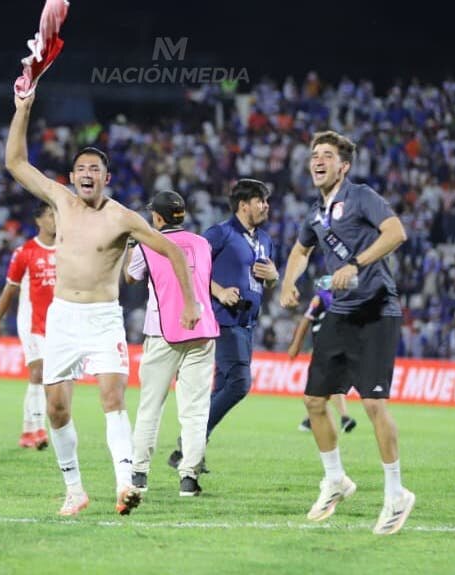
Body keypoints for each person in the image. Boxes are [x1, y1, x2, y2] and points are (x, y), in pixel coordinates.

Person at [7, 91, 200, 517]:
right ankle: (74, 489)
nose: (86, 174)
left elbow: (172, 252)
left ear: (107, 178)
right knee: (56, 408)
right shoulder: (61, 201)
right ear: (72, 176)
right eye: (80, 169)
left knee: (112, 398)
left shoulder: (123, 218)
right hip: (62, 318)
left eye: (95, 169)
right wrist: (23, 107)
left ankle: (124, 483)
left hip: (102, 319)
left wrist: (190, 301)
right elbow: (16, 163)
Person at [279, 131, 413, 535]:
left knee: (373, 405)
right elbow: (301, 251)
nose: (318, 161)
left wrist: (355, 263)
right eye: (314, 155)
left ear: (344, 166)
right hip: (340, 314)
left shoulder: (361, 195)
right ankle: (336, 479)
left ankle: (396, 493)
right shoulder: (315, 215)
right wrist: (289, 282)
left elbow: (396, 233)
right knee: (314, 401)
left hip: (376, 311)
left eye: (327, 156)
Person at [168, 179, 277, 471]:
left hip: (247, 322)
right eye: (261, 200)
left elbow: (267, 278)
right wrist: (219, 291)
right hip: (221, 320)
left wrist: (274, 276)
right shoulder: (221, 233)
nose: (266, 206)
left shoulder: (265, 239)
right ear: (244, 205)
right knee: (239, 384)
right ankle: (191, 443)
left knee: (222, 387)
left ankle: (190, 450)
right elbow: (190, 267)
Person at [124, 191, 219, 497]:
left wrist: (129, 247)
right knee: (195, 410)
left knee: (151, 405)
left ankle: (139, 473)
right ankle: (189, 477)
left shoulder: (147, 245)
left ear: (158, 217)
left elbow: (131, 277)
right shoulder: (203, 243)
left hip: (161, 331)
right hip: (202, 329)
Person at [0, 202, 58, 451]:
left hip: (57, 324)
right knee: (39, 373)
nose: (56, 220)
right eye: (51, 215)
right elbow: (10, 288)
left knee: (46, 376)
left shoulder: (68, 251)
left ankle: (27, 431)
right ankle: (39, 429)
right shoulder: (25, 252)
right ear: (39, 220)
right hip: (30, 321)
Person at [287, 289, 356, 434]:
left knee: (329, 385)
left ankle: (339, 418)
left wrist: (296, 345)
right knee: (326, 386)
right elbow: (307, 319)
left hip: (334, 348)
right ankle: (326, 418)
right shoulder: (332, 297)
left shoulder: (326, 297)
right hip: (330, 348)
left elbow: (306, 320)